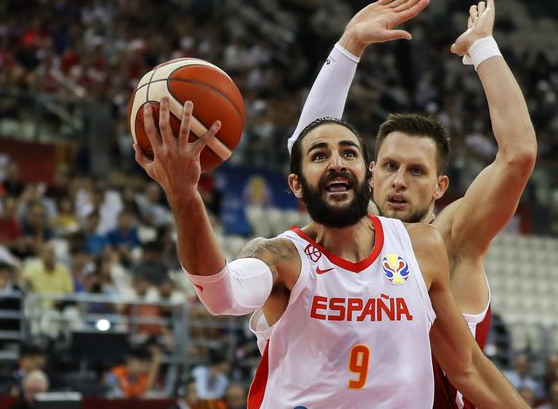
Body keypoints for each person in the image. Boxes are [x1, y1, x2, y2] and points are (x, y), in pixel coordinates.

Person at [134, 99, 527, 407]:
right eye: (320, 156)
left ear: (367, 175)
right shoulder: (281, 257)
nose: (337, 163)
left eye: (349, 153)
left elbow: (469, 367)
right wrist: (185, 196)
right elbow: (218, 295)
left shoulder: (420, 247)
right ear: (297, 185)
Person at [287, 0, 536, 409]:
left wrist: (482, 47)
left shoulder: (453, 239)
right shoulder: (351, 233)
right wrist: (349, 46)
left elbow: (519, 155)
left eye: (416, 171)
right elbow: (306, 149)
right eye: (389, 167)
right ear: (369, 173)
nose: (399, 181)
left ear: (440, 187)